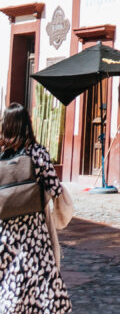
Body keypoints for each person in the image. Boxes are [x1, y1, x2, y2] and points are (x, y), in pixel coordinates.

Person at [0, 103, 72, 313]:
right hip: (33, 235)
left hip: (4, 234)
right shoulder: (37, 153)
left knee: (8, 285)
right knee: (42, 288)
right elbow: (55, 189)